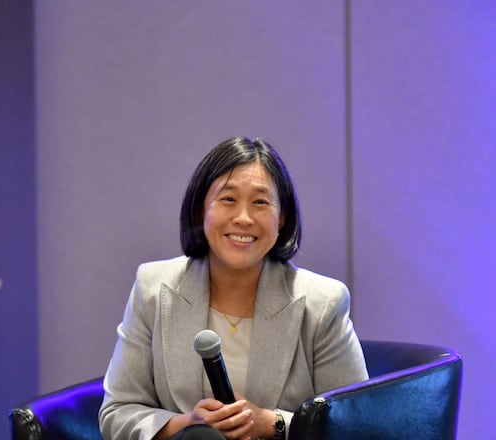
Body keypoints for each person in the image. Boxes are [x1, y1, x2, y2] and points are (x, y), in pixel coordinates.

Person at [99, 137, 368, 440]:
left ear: (282, 219)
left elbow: (355, 425)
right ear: (202, 210)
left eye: (260, 202)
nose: (243, 217)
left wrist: (272, 423)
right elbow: (118, 411)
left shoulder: (322, 303)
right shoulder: (153, 287)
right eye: (228, 199)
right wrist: (188, 425)